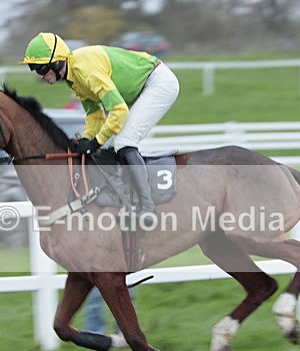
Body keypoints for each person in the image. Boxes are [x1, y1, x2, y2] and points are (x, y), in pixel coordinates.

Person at [20, 32, 180, 222]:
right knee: (105, 147)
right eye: (34, 70)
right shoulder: (73, 78)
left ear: (57, 62)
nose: (40, 76)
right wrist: (87, 139)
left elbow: (119, 110)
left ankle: (148, 208)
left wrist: (95, 141)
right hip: (140, 88)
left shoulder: (85, 70)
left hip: (159, 83)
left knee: (124, 141)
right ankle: (122, 200)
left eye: (41, 69)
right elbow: (94, 114)